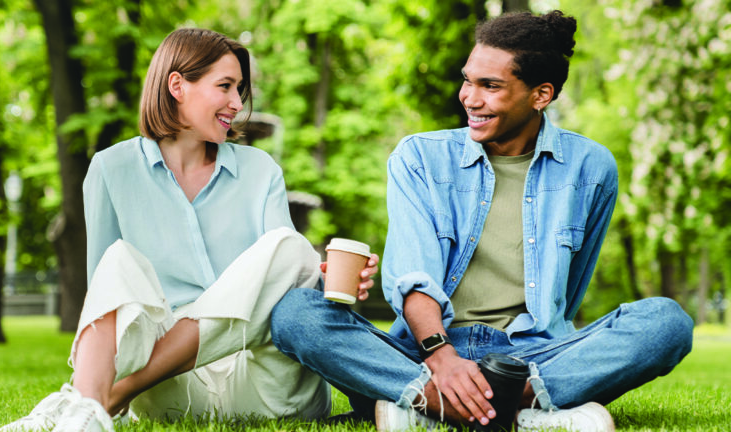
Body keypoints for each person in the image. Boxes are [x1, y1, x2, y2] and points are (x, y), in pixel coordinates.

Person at [271, 10, 693, 432]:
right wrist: (441, 357)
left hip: (533, 358)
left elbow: (571, 286)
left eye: (490, 86)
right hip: (424, 351)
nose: (469, 98)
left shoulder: (591, 166)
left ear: (541, 94)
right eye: (468, 80)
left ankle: (441, 408)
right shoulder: (419, 157)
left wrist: (530, 370)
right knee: (296, 314)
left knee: (665, 323)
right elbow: (414, 276)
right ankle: (506, 411)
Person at [0, 28, 378, 432]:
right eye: (225, 86)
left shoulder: (260, 170)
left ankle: (101, 398)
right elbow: (104, 299)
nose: (237, 102)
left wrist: (330, 286)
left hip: (263, 383)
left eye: (240, 89)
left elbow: (286, 286)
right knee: (117, 261)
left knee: (290, 248)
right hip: (171, 392)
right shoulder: (111, 170)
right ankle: (88, 410)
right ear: (177, 85)